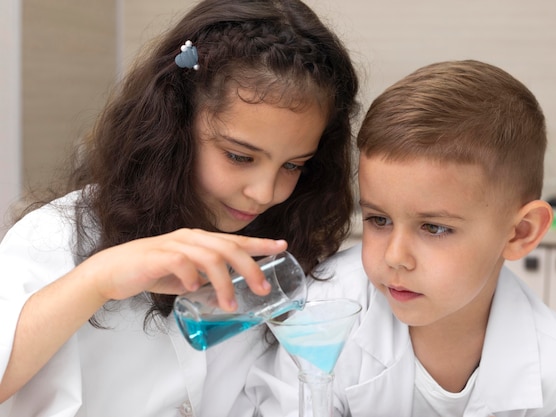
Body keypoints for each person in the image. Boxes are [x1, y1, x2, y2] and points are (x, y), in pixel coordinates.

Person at [0, 0, 360, 415]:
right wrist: (97, 280)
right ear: (175, 126)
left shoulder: (281, 253)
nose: (264, 193)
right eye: (240, 157)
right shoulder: (58, 237)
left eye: (293, 165)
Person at [244, 60, 556, 416]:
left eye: (434, 227)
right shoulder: (322, 312)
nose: (395, 257)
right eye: (379, 219)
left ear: (520, 232)